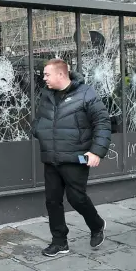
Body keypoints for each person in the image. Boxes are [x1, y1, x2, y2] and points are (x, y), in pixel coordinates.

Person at [33, 58, 111, 257]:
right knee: (52, 201)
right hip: (51, 157)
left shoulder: (86, 93)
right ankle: (59, 242)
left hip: (77, 157)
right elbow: (40, 119)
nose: (44, 78)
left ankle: (97, 224)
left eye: (47, 74)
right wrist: (38, 131)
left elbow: (102, 122)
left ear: (61, 74)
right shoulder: (47, 95)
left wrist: (96, 152)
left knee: (76, 198)